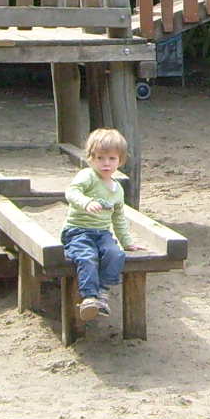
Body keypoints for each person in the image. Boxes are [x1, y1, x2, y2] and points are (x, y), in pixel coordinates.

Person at [62, 128, 134, 324]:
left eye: (112, 158)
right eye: (100, 158)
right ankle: (88, 297)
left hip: (102, 233)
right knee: (87, 257)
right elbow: (72, 192)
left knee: (115, 254)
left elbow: (118, 217)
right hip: (78, 231)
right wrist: (85, 202)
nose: (106, 163)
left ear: (120, 160)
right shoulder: (87, 176)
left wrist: (127, 242)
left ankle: (102, 293)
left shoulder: (117, 189)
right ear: (91, 159)